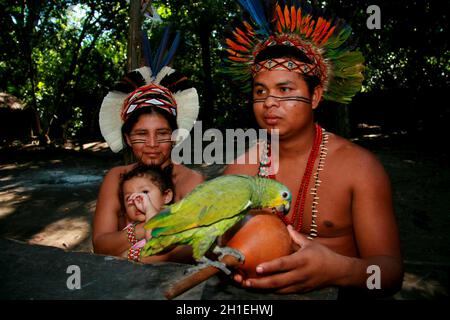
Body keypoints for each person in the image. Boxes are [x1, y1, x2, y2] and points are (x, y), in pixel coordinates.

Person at [222, 0, 403, 297]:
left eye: (285, 90)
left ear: (315, 96)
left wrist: (338, 270)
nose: (269, 102)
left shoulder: (359, 169)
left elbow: (390, 275)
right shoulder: (238, 171)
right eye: (260, 91)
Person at [93, 64, 204, 263]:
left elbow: (198, 247)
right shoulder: (116, 177)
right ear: (127, 138)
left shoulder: (189, 181)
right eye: (141, 134)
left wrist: (132, 257)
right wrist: (144, 228)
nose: (152, 144)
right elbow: (101, 246)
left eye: (161, 133)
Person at [118, 164, 174, 260]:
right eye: (129, 198)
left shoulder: (170, 219)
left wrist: (149, 209)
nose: (137, 200)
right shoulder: (130, 227)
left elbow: (155, 243)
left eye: (144, 192)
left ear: (166, 196)